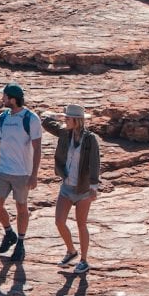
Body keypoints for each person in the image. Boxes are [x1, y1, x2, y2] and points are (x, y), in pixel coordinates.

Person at [41, 104, 101, 275]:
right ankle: (71, 251)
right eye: (65, 118)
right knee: (59, 221)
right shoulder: (64, 132)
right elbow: (45, 123)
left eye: (68, 118)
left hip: (82, 188)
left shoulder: (90, 139)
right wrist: (58, 116)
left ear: (77, 120)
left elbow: (95, 162)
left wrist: (93, 187)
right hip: (67, 186)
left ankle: (84, 261)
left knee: (81, 224)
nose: (66, 120)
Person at [0, 82, 42, 262]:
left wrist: (34, 174)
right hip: (3, 169)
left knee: (21, 207)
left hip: (22, 172)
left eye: (4, 96)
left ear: (12, 99)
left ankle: (20, 242)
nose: (2, 99)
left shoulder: (30, 118)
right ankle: (9, 233)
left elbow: (38, 147)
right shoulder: (3, 117)